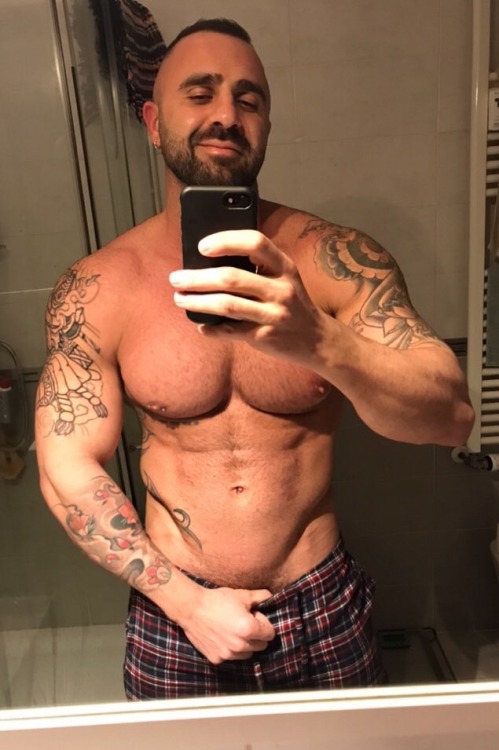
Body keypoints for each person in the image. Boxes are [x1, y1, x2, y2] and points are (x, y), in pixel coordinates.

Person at [35, 18, 474, 700]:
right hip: (176, 613)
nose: (226, 115)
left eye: (249, 99)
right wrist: (186, 603)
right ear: (153, 122)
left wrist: (318, 340)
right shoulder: (99, 286)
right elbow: (65, 467)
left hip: (321, 603)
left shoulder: (336, 259)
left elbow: (449, 417)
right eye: (200, 93)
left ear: (265, 123)